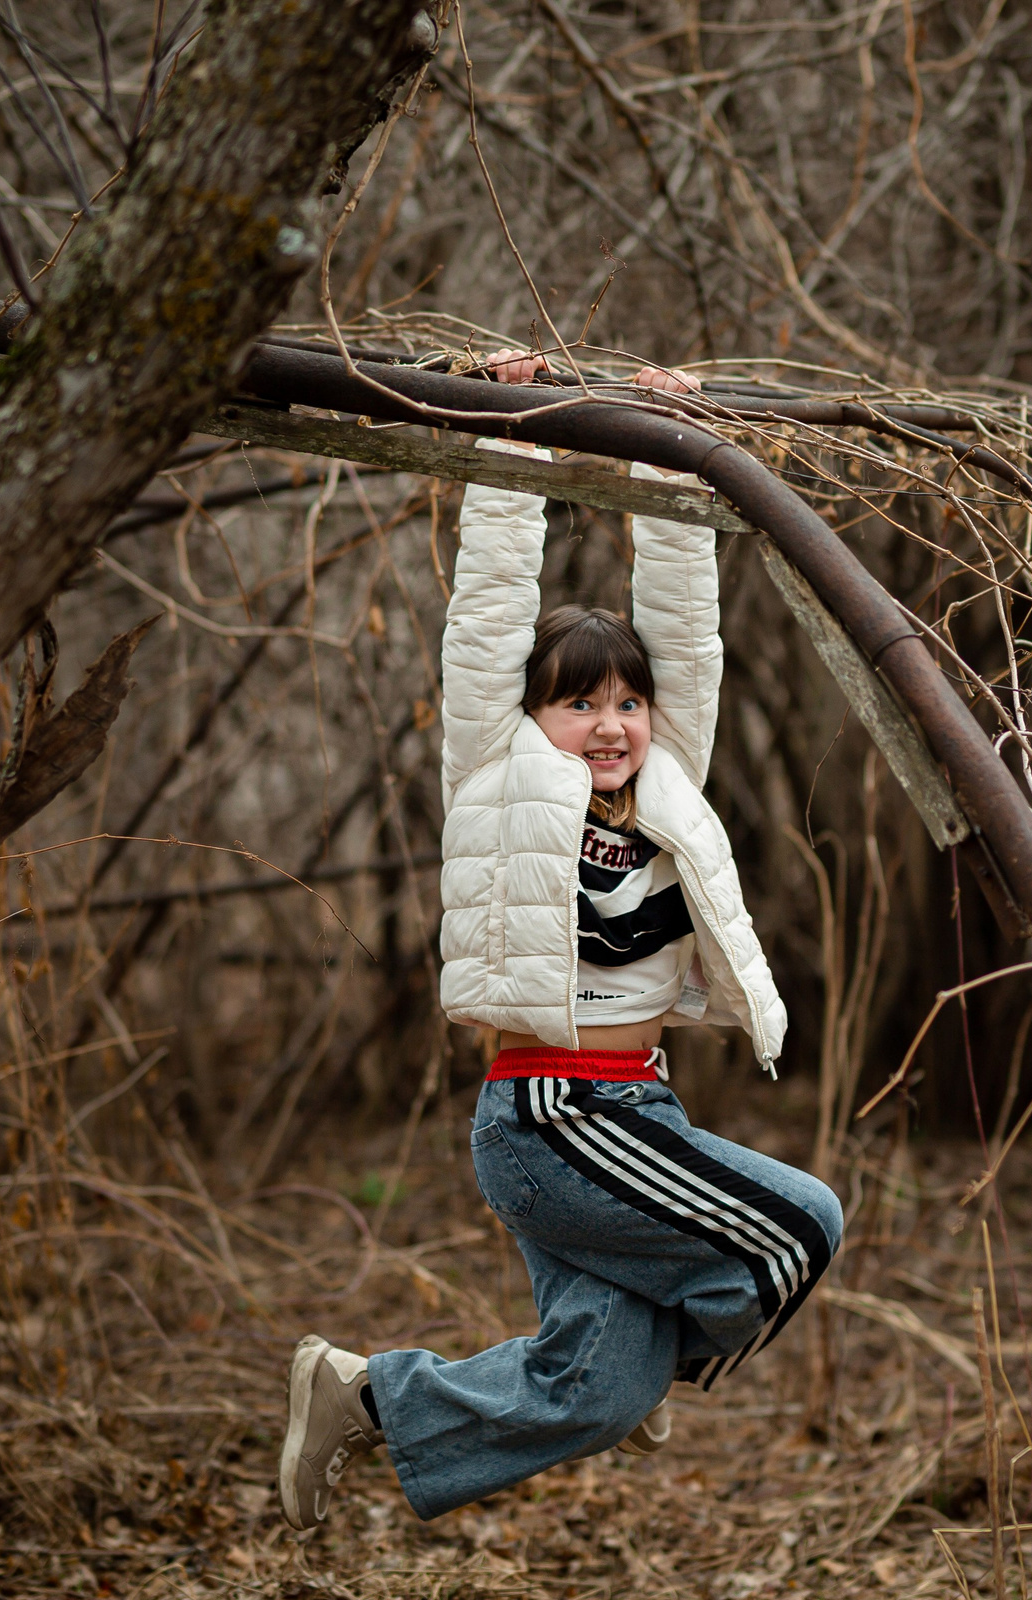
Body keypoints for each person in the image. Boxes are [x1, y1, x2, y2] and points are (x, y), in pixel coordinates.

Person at [277, 352, 843, 1531]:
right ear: (532, 717)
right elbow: (486, 619)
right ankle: (677, 1335)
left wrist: (668, 459)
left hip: (638, 1109)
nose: (609, 722)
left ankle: (364, 1393)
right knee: (802, 1223)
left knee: (599, 1389)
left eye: (626, 701)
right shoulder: (499, 776)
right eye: (578, 701)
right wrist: (511, 437)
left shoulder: (669, 788)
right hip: (553, 1115)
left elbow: (687, 640)